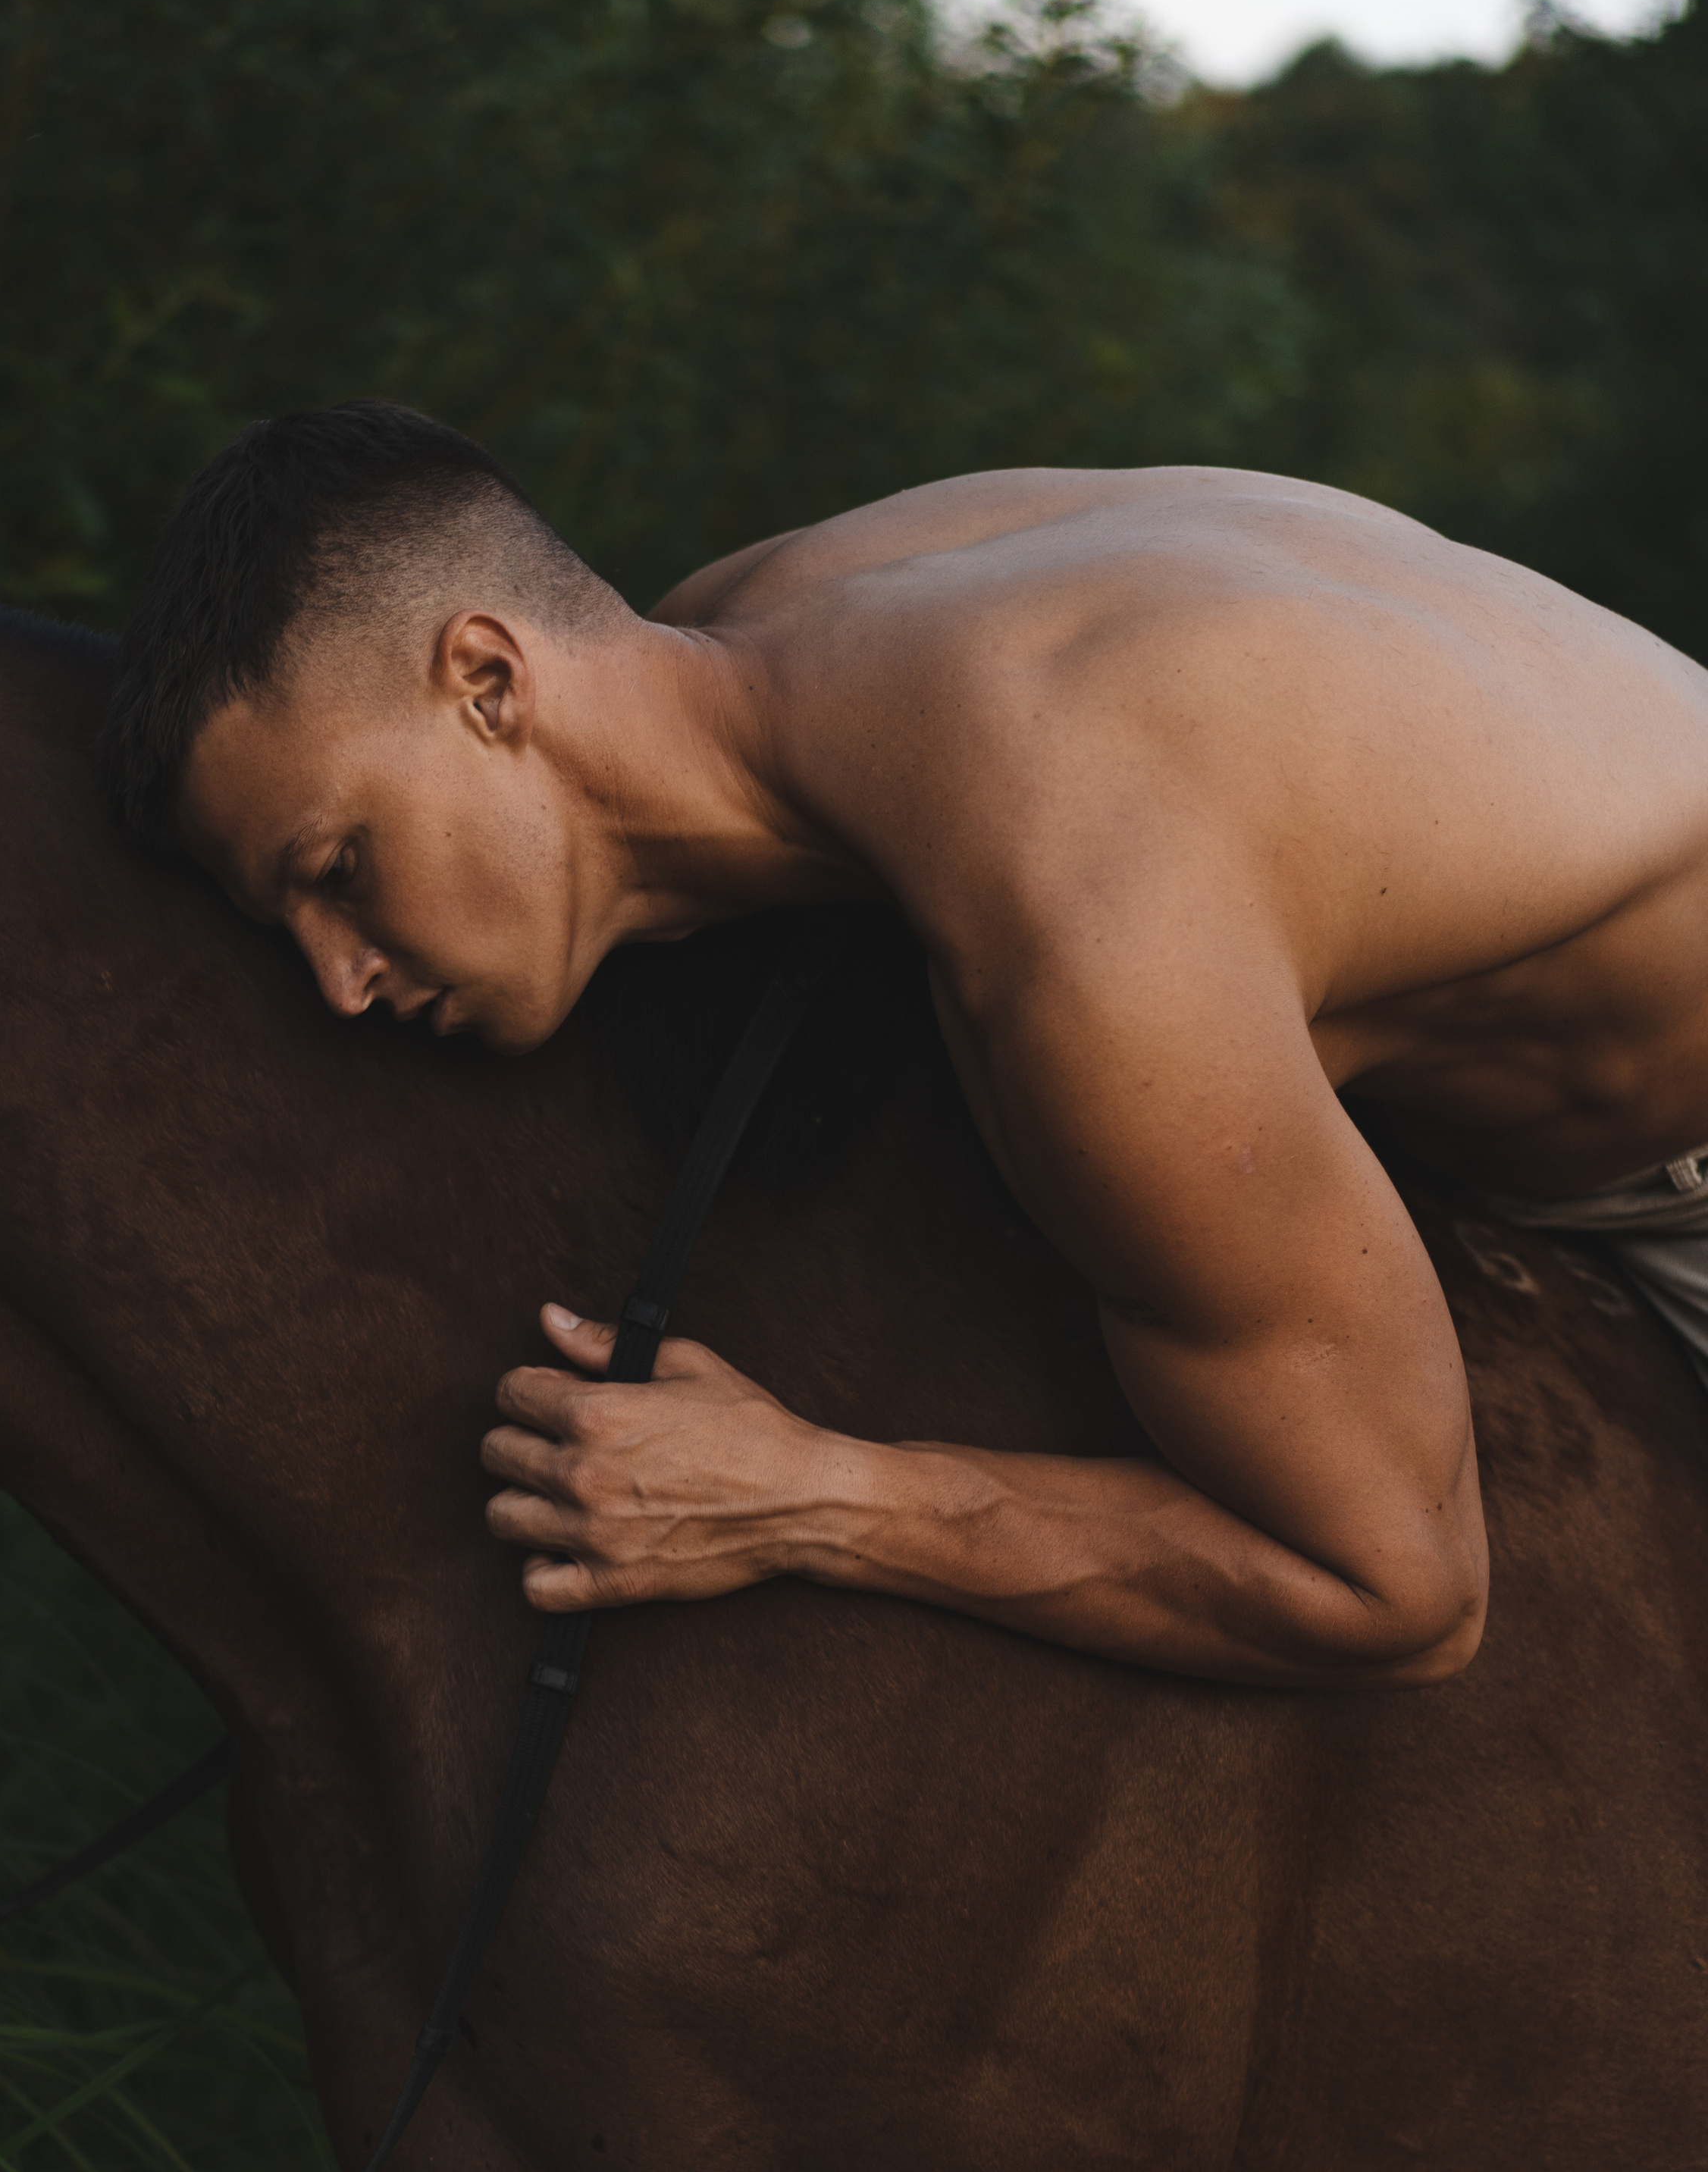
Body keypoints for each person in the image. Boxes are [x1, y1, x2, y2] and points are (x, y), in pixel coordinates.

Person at [99, 399, 1708, 1690]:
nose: (336, 979)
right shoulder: (762, 625)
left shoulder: (1077, 907)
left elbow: (1394, 1586)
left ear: (488, 679)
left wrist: (810, 1494)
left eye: (336, 871)